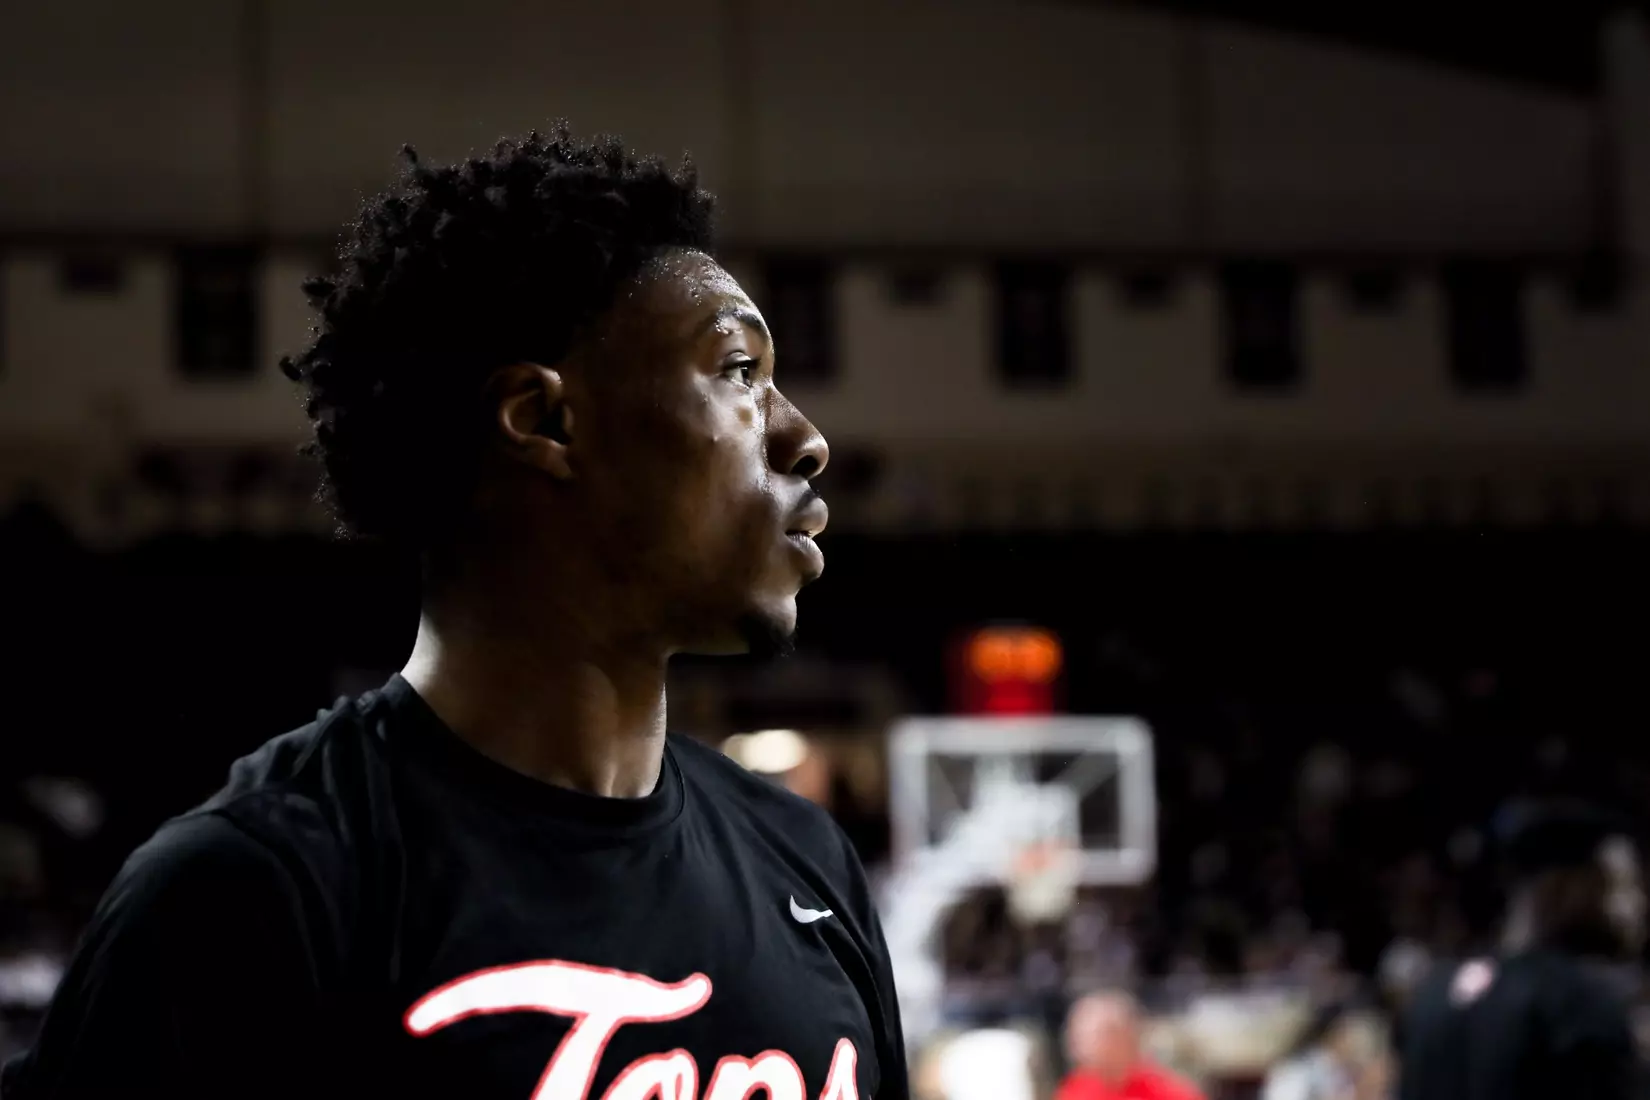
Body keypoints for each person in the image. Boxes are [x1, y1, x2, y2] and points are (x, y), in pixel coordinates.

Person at [1, 127, 906, 1100]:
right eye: (738, 370)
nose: (804, 437)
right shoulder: (257, 893)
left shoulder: (806, 863)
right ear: (544, 419)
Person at [1399, 801, 1645, 1100]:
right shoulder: (1576, 1001)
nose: (1636, 905)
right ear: (1565, 886)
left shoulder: (1432, 993)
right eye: (1621, 885)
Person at [1055, 992, 1205, 1100]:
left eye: (1091, 1036)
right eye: (1077, 1035)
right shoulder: (1075, 1088)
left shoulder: (1168, 1090)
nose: (1076, 1044)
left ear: (1123, 1035)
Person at [1262, 1002, 1391, 1100]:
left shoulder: (1346, 1072)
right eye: (1350, 1034)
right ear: (1333, 1035)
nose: (1356, 1042)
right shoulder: (1298, 1070)